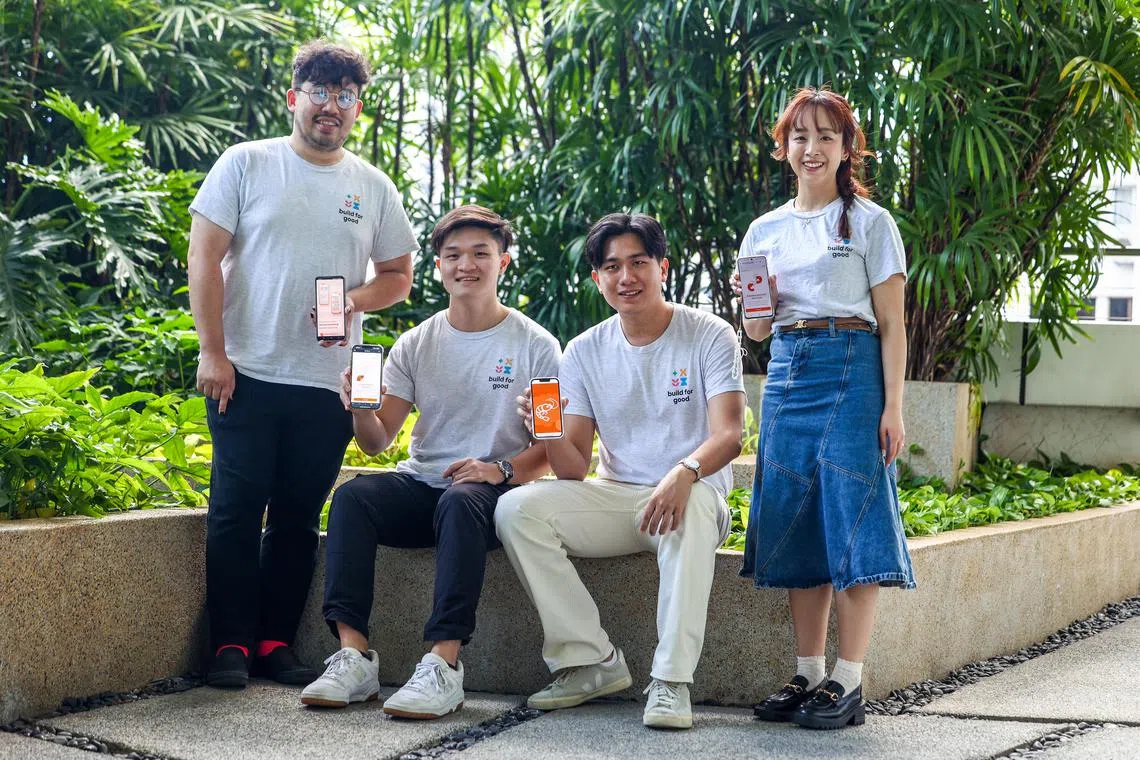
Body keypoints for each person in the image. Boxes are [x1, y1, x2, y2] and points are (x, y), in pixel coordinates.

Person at [188, 40, 418, 689]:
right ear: (295, 98)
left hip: (328, 385)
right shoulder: (247, 163)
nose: (331, 107)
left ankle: (272, 644)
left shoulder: (372, 186)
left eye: (344, 96)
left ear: (357, 107)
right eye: (319, 92)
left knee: (297, 518)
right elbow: (204, 257)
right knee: (235, 511)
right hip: (247, 373)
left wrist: (354, 300)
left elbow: (398, 276)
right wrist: (214, 351)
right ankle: (229, 644)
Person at [300, 205, 561, 719]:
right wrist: (361, 407)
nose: (467, 264)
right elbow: (377, 443)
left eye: (481, 253)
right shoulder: (415, 344)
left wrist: (499, 470)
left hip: (488, 494)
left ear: (503, 263)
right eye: (453, 255)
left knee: (462, 501)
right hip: (423, 485)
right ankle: (354, 657)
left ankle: (444, 664)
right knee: (353, 498)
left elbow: (551, 452)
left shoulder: (538, 347)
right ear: (439, 267)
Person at [494, 213, 745, 730]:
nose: (625, 277)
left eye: (638, 263)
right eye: (612, 267)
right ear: (597, 279)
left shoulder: (709, 333)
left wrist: (685, 471)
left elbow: (729, 434)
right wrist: (545, 428)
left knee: (692, 502)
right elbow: (571, 467)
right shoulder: (585, 350)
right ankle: (590, 662)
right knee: (517, 508)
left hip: (692, 495)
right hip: (619, 499)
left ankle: (672, 683)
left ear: (663, 268)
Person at [737, 87, 915, 730]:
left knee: (852, 514)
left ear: (846, 149)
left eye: (826, 137)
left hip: (853, 366)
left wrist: (893, 407)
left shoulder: (871, 222)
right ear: (783, 147)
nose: (812, 149)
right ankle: (808, 672)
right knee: (795, 518)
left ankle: (849, 678)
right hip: (787, 369)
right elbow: (758, 332)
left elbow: (893, 325)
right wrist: (761, 301)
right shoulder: (765, 230)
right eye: (800, 137)